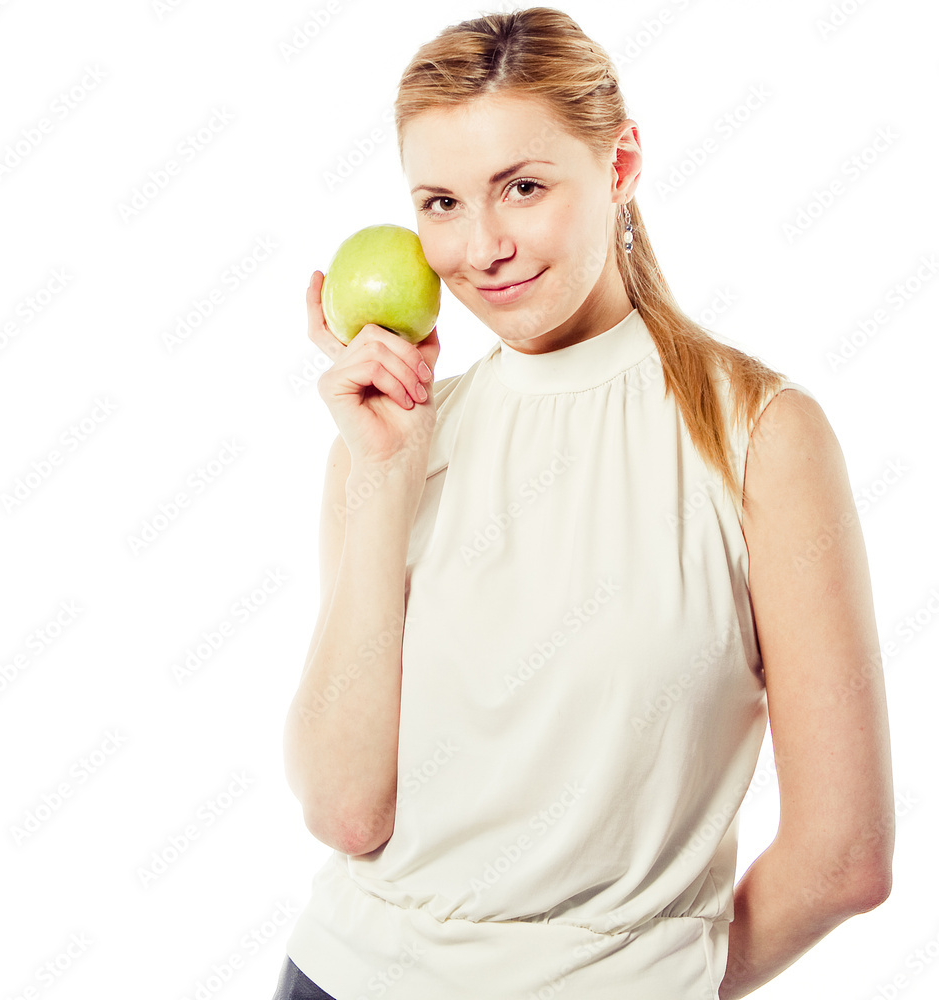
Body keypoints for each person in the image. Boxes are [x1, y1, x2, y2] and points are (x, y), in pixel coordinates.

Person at [277, 8, 895, 999]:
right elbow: (345, 811)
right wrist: (384, 478)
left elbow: (845, 858)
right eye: (441, 203)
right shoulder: (385, 448)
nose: (483, 246)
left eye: (521, 187)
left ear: (621, 165)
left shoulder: (762, 440)